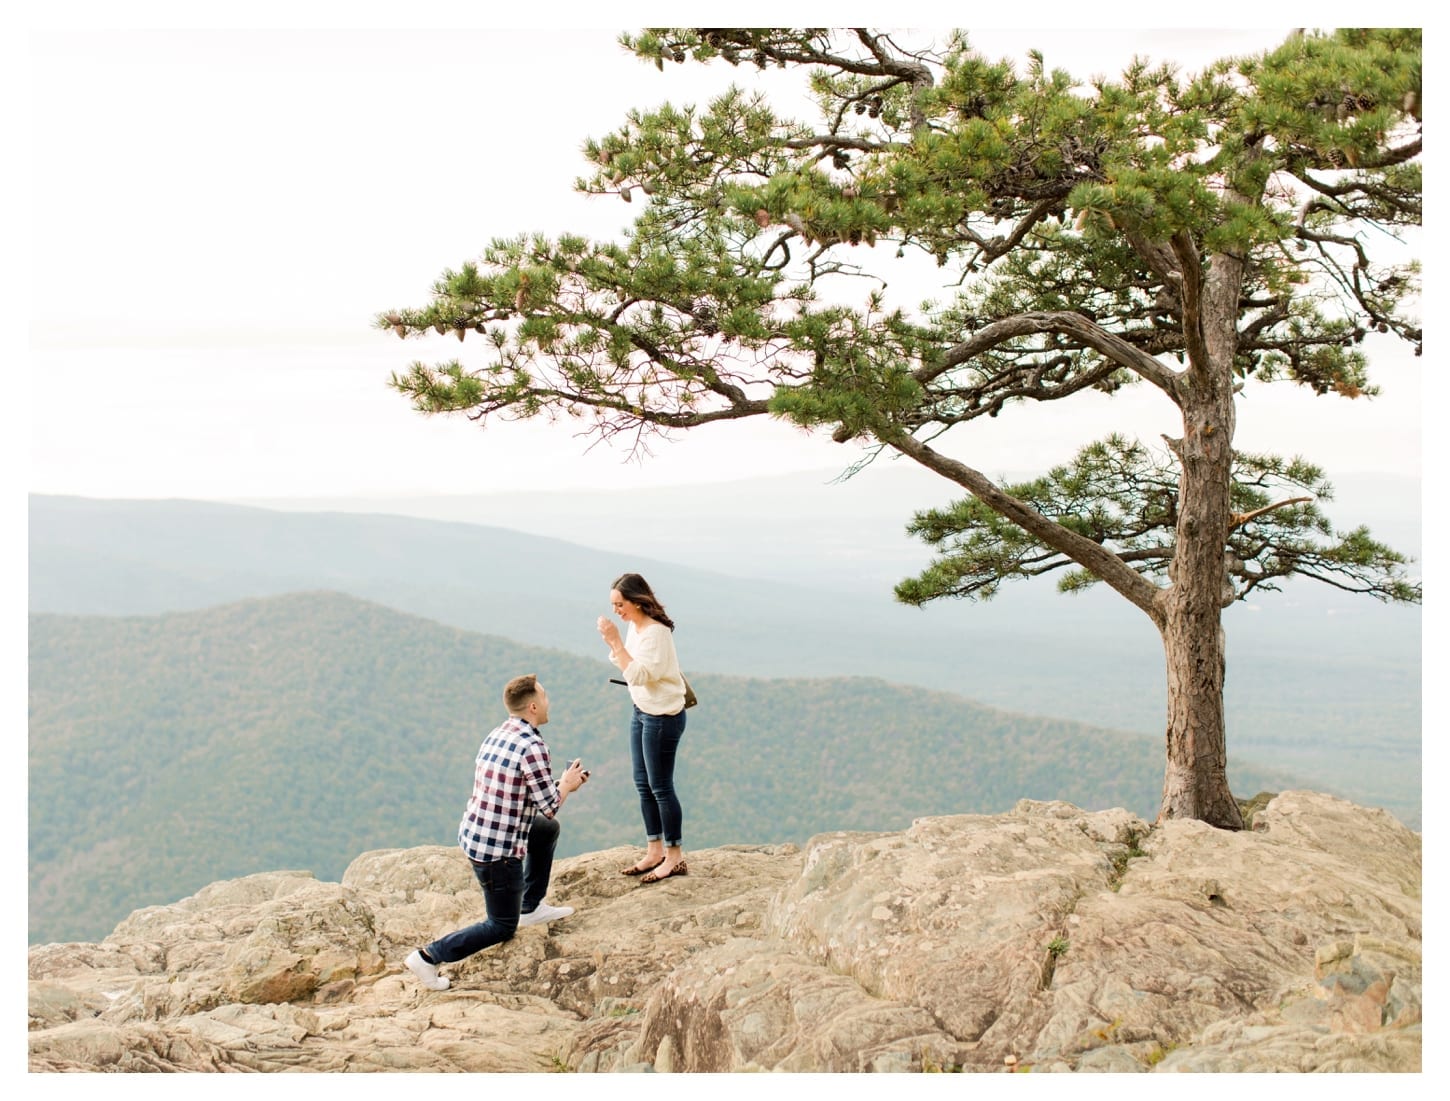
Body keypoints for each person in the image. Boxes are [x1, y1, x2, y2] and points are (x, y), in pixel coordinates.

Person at [404, 674, 588, 992]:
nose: (548, 702)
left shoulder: (499, 733)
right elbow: (549, 804)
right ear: (533, 706)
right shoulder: (533, 746)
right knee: (501, 925)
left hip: (477, 830)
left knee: (545, 830)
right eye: (544, 698)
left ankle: (530, 906)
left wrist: (558, 784)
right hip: (496, 852)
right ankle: (427, 956)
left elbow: (526, 798)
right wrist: (567, 785)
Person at [596, 572, 689, 884]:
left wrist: (614, 641)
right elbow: (625, 664)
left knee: (661, 786)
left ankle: (674, 857)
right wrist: (619, 645)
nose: (616, 611)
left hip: (662, 717)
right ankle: (654, 849)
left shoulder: (656, 634)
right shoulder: (636, 628)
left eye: (620, 604)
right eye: (613, 605)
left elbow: (637, 674)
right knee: (643, 783)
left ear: (636, 602)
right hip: (642, 711)